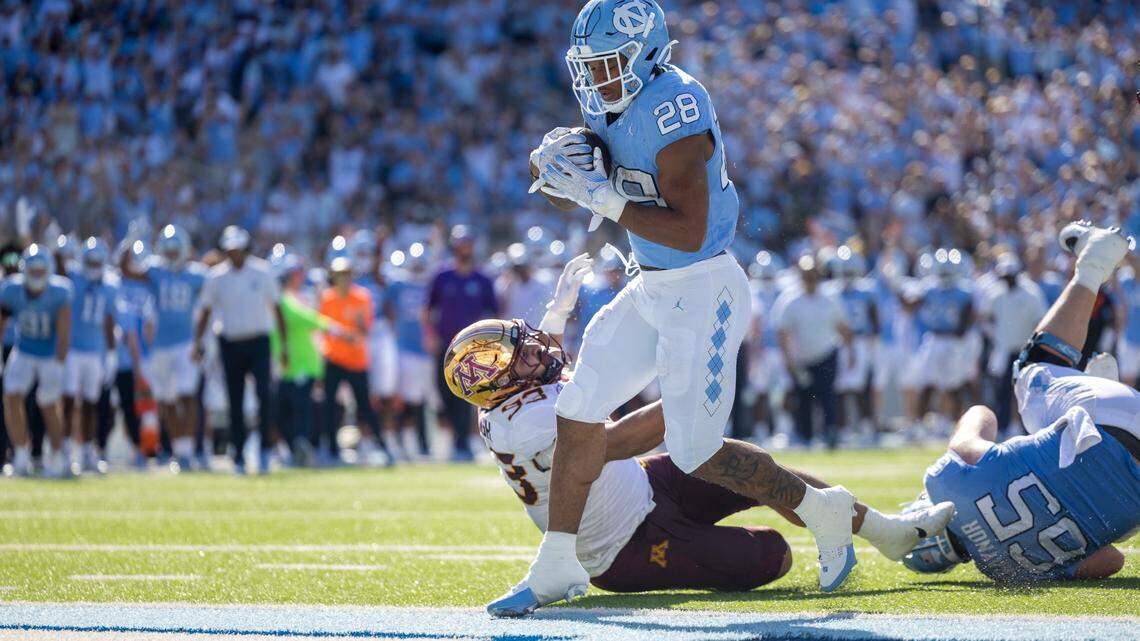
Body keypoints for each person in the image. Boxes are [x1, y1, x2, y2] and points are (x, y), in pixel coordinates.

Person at [518, 0, 863, 611]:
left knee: (695, 452)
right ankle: (556, 562)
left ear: (647, 54)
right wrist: (564, 177)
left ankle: (823, 510)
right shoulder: (616, 100)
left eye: (608, 63)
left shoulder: (673, 105)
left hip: (702, 284)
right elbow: (606, 188)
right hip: (651, 284)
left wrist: (597, 197)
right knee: (578, 408)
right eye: (589, 66)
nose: (596, 79)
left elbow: (688, 231)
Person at [442, 255, 954, 616]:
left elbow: (557, 381)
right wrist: (691, 390)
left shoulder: (513, 402)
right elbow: (615, 442)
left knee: (755, 467)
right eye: (524, 352)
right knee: (771, 555)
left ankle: (887, 532)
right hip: (624, 546)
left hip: (644, 486)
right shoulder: (527, 423)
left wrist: (557, 313)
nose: (538, 347)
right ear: (503, 381)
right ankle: (877, 532)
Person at [902, 222, 1140, 584]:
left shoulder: (1007, 570)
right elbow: (981, 415)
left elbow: (1111, 561)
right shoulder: (945, 484)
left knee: (1117, 528)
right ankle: (1094, 261)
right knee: (1031, 372)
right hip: (1106, 421)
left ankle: (1087, 401)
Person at [193, 226, 287, 475]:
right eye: (230, 250)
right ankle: (239, 454)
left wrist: (284, 346)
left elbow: (277, 309)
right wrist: (198, 343)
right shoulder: (217, 276)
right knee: (234, 401)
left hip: (258, 341)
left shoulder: (262, 272)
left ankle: (265, 451)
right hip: (231, 342)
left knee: (264, 398)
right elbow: (205, 310)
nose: (234, 254)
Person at [423, 225, 499, 461]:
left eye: (467, 244)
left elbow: (493, 313)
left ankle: (462, 443)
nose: (463, 249)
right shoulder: (441, 276)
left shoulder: (483, 279)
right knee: (442, 390)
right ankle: (456, 438)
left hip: (471, 349)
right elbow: (427, 309)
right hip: (445, 345)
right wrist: (429, 334)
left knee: (467, 393)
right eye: (459, 244)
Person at [135, 225, 207, 471]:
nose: (173, 254)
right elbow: (128, 271)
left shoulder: (197, 274)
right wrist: (130, 243)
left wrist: (202, 341)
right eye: (170, 250)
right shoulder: (155, 270)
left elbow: (211, 301)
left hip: (186, 342)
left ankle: (188, 451)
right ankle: (179, 449)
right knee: (166, 401)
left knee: (187, 396)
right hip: (161, 346)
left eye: (177, 250)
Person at [0, 245, 73, 477]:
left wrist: (60, 364)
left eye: (42, 269)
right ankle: (21, 455)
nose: (38, 274)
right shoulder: (11, 289)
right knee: (11, 397)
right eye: (34, 269)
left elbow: (63, 334)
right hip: (24, 350)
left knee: (49, 404)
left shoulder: (60, 291)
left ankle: (59, 457)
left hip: (50, 353)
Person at [772, 255, 852, 448]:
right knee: (803, 400)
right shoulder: (790, 300)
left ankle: (830, 434)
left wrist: (851, 352)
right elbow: (782, 333)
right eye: (807, 276)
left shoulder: (830, 299)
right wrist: (789, 361)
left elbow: (843, 328)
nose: (810, 280)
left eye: (813, 275)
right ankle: (805, 436)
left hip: (826, 355)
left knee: (827, 397)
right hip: (801, 359)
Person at [319, 256, 390, 466]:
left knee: (365, 406)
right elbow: (323, 326)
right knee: (329, 406)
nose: (344, 279)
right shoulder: (327, 298)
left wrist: (350, 332)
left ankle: (381, 446)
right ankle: (331, 449)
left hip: (356, 360)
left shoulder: (361, 297)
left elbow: (364, 330)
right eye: (340, 275)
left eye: (347, 275)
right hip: (333, 358)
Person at [273, 255, 337, 466]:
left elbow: (309, 320)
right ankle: (297, 449)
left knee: (299, 411)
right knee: (286, 410)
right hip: (290, 365)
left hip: (300, 364)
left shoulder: (289, 299)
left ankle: (303, 451)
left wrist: (337, 329)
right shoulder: (283, 299)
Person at [61, 238, 118, 474]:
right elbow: (58, 265)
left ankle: (87, 451)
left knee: (91, 404)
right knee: (68, 402)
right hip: (73, 350)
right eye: (90, 260)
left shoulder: (110, 285)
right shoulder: (73, 277)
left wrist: (112, 352)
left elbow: (108, 320)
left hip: (95, 352)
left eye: (97, 261)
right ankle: (64, 451)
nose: (94, 265)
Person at [976, 254, 1046, 436]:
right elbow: (984, 316)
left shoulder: (1031, 293)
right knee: (1002, 390)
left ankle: (1021, 428)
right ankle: (1004, 426)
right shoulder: (996, 293)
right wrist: (995, 335)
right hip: (1003, 350)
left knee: (1024, 392)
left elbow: (1040, 321)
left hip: (1025, 351)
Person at [386, 249, 434, 459]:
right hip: (403, 348)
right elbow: (385, 305)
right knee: (402, 400)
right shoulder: (398, 284)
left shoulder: (432, 284)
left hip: (425, 350)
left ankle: (422, 444)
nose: (418, 267)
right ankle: (400, 442)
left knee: (422, 400)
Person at [826, 248, 878, 439]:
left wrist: (874, 341)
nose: (847, 276)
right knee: (839, 387)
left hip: (860, 340)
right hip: (838, 341)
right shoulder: (830, 291)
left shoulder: (867, 290)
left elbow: (874, 318)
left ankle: (866, 426)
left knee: (861, 386)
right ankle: (843, 428)